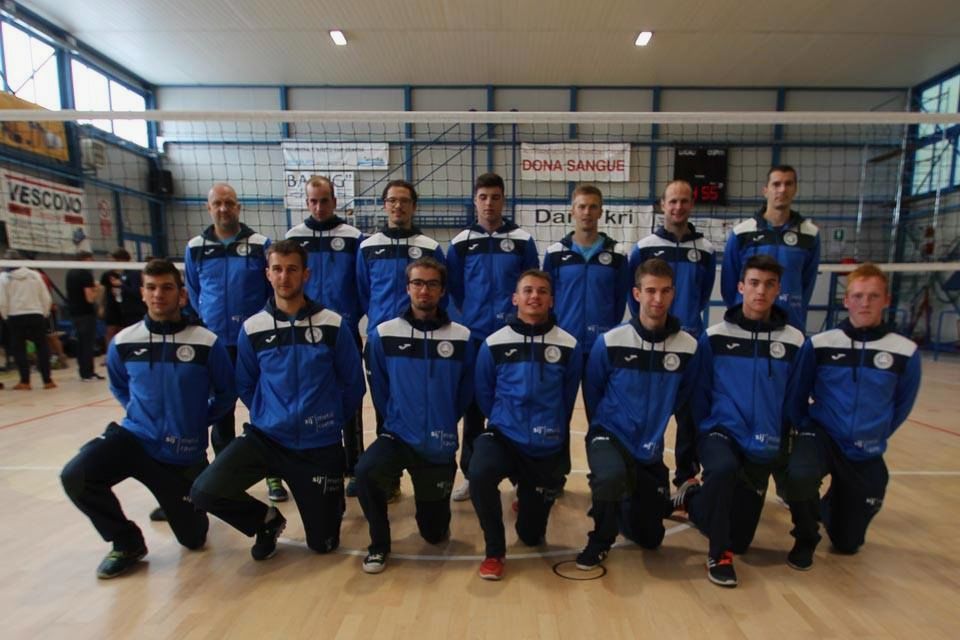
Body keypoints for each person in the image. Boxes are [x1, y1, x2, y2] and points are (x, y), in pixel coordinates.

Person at [60, 259, 236, 578]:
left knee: (194, 539)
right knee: (76, 475)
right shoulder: (124, 342)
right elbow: (119, 385)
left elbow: (226, 392)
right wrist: (141, 415)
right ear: (142, 293)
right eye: (151, 288)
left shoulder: (206, 342)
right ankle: (126, 542)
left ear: (182, 294)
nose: (158, 295)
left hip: (182, 454)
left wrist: (198, 420)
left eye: (167, 288)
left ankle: (173, 503)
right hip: (136, 439)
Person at [190, 240, 365, 561]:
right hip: (267, 439)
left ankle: (330, 501)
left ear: (306, 274)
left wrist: (329, 419)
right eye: (278, 269)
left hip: (318, 446)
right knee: (204, 491)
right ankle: (265, 522)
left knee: (323, 545)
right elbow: (246, 383)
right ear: (267, 274)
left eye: (292, 269)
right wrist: (269, 415)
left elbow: (353, 383)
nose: (285, 277)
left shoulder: (332, 324)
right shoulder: (253, 328)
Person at [672, 255, 806, 588]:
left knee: (741, 538)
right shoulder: (715, 337)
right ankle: (719, 556)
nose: (761, 291)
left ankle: (692, 500)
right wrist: (703, 436)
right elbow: (699, 394)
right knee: (722, 469)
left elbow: (794, 397)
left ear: (778, 290)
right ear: (741, 287)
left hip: (764, 440)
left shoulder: (794, 340)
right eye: (754, 283)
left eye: (769, 285)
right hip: (722, 431)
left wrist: (785, 441)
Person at [785, 264, 921, 570]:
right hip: (822, 434)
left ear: (886, 300)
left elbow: (902, 405)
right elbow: (797, 393)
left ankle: (833, 504)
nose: (865, 303)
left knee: (847, 544)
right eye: (858, 296)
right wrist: (805, 426)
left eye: (873, 296)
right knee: (799, 475)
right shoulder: (821, 344)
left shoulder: (904, 352)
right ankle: (805, 537)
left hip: (865, 445)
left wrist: (876, 432)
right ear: (846, 300)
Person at [576, 258, 703, 569]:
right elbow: (593, 392)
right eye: (650, 291)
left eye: (665, 291)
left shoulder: (687, 347)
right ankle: (600, 539)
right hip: (610, 434)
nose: (657, 298)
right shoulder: (611, 341)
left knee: (651, 538)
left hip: (648, 447)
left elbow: (685, 395)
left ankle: (622, 503)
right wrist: (602, 428)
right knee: (610, 476)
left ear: (673, 294)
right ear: (636, 294)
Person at [355, 257, 474, 573]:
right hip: (398, 435)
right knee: (365, 472)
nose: (424, 290)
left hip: (438, 442)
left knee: (434, 535)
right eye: (418, 283)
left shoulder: (462, 337)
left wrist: (444, 418)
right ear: (407, 288)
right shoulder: (384, 334)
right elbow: (379, 386)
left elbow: (466, 390)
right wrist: (397, 417)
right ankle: (379, 545)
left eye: (432, 284)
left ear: (442, 290)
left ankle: (435, 517)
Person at [469, 270, 582, 580]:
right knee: (479, 473)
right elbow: (484, 392)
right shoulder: (494, 343)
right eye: (528, 290)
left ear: (552, 300)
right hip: (505, 436)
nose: (535, 296)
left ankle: (528, 496)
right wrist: (506, 420)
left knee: (531, 537)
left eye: (542, 291)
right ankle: (494, 551)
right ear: (515, 298)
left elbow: (568, 396)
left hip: (545, 445)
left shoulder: (569, 345)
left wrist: (550, 428)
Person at [184, 183, 286, 503]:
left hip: (254, 342)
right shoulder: (195, 247)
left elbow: (271, 293)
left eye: (229, 203)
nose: (223, 208)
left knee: (264, 409)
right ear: (208, 207)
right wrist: (210, 324)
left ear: (238, 207)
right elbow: (194, 292)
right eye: (218, 203)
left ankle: (273, 475)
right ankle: (226, 478)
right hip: (215, 343)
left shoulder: (260, 245)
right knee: (221, 413)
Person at [446, 172, 539, 502]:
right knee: (473, 410)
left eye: (495, 197)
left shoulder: (522, 240)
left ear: (503, 200)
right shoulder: (460, 243)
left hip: (513, 336)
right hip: (475, 338)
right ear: (475, 201)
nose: (489, 203)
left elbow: (530, 284)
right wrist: (471, 318)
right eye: (483, 197)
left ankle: (520, 475)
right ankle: (472, 475)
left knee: (515, 404)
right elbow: (455, 288)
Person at [356, 179, 446, 501]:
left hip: (422, 341)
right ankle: (389, 478)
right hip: (382, 342)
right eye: (392, 200)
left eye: (404, 201)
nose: (398, 206)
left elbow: (441, 291)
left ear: (413, 206)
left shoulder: (429, 246)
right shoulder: (367, 247)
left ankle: (426, 474)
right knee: (385, 409)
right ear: (385, 205)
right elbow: (363, 291)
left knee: (423, 403)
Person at [628, 180, 716, 488]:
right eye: (672, 201)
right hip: (652, 341)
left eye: (684, 201)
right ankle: (639, 470)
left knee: (689, 414)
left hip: (690, 342)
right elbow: (634, 295)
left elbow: (703, 294)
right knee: (647, 407)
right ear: (662, 205)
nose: (678, 207)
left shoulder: (705, 249)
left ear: (692, 204)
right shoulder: (644, 247)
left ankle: (685, 476)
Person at [286, 176, 366, 497]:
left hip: (343, 331)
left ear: (335, 201)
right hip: (304, 334)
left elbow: (362, 285)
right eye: (313, 201)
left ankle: (355, 464)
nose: (319, 207)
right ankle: (314, 462)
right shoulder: (294, 237)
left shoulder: (353, 237)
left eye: (324, 200)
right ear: (307, 203)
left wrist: (350, 317)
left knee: (351, 396)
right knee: (309, 396)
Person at [721, 165, 820, 332]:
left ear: (795, 189)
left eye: (788, 184)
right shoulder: (742, 233)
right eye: (776, 184)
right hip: (746, 324)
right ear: (765, 190)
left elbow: (807, 284)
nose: (782, 189)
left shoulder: (810, 234)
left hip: (790, 323)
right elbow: (729, 286)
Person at [0, 250, 56, 390]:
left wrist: (6, 316)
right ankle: (47, 381)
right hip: (36, 314)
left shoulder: (3, 278)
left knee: (19, 349)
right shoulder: (35, 275)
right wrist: (44, 313)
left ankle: (25, 382)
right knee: (42, 347)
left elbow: (2, 301)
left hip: (15, 315)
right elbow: (46, 297)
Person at [65, 250, 103, 381]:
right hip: (86, 314)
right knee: (87, 344)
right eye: (91, 259)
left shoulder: (70, 273)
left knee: (81, 344)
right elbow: (90, 298)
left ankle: (83, 371)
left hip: (74, 313)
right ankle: (88, 373)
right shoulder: (85, 274)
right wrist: (97, 289)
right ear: (86, 259)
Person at [101, 247, 146, 347]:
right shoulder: (123, 273)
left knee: (136, 338)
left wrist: (121, 285)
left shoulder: (134, 273)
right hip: (126, 313)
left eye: (113, 261)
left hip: (136, 313)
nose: (111, 264)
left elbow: (137, 292)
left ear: (121, 260)